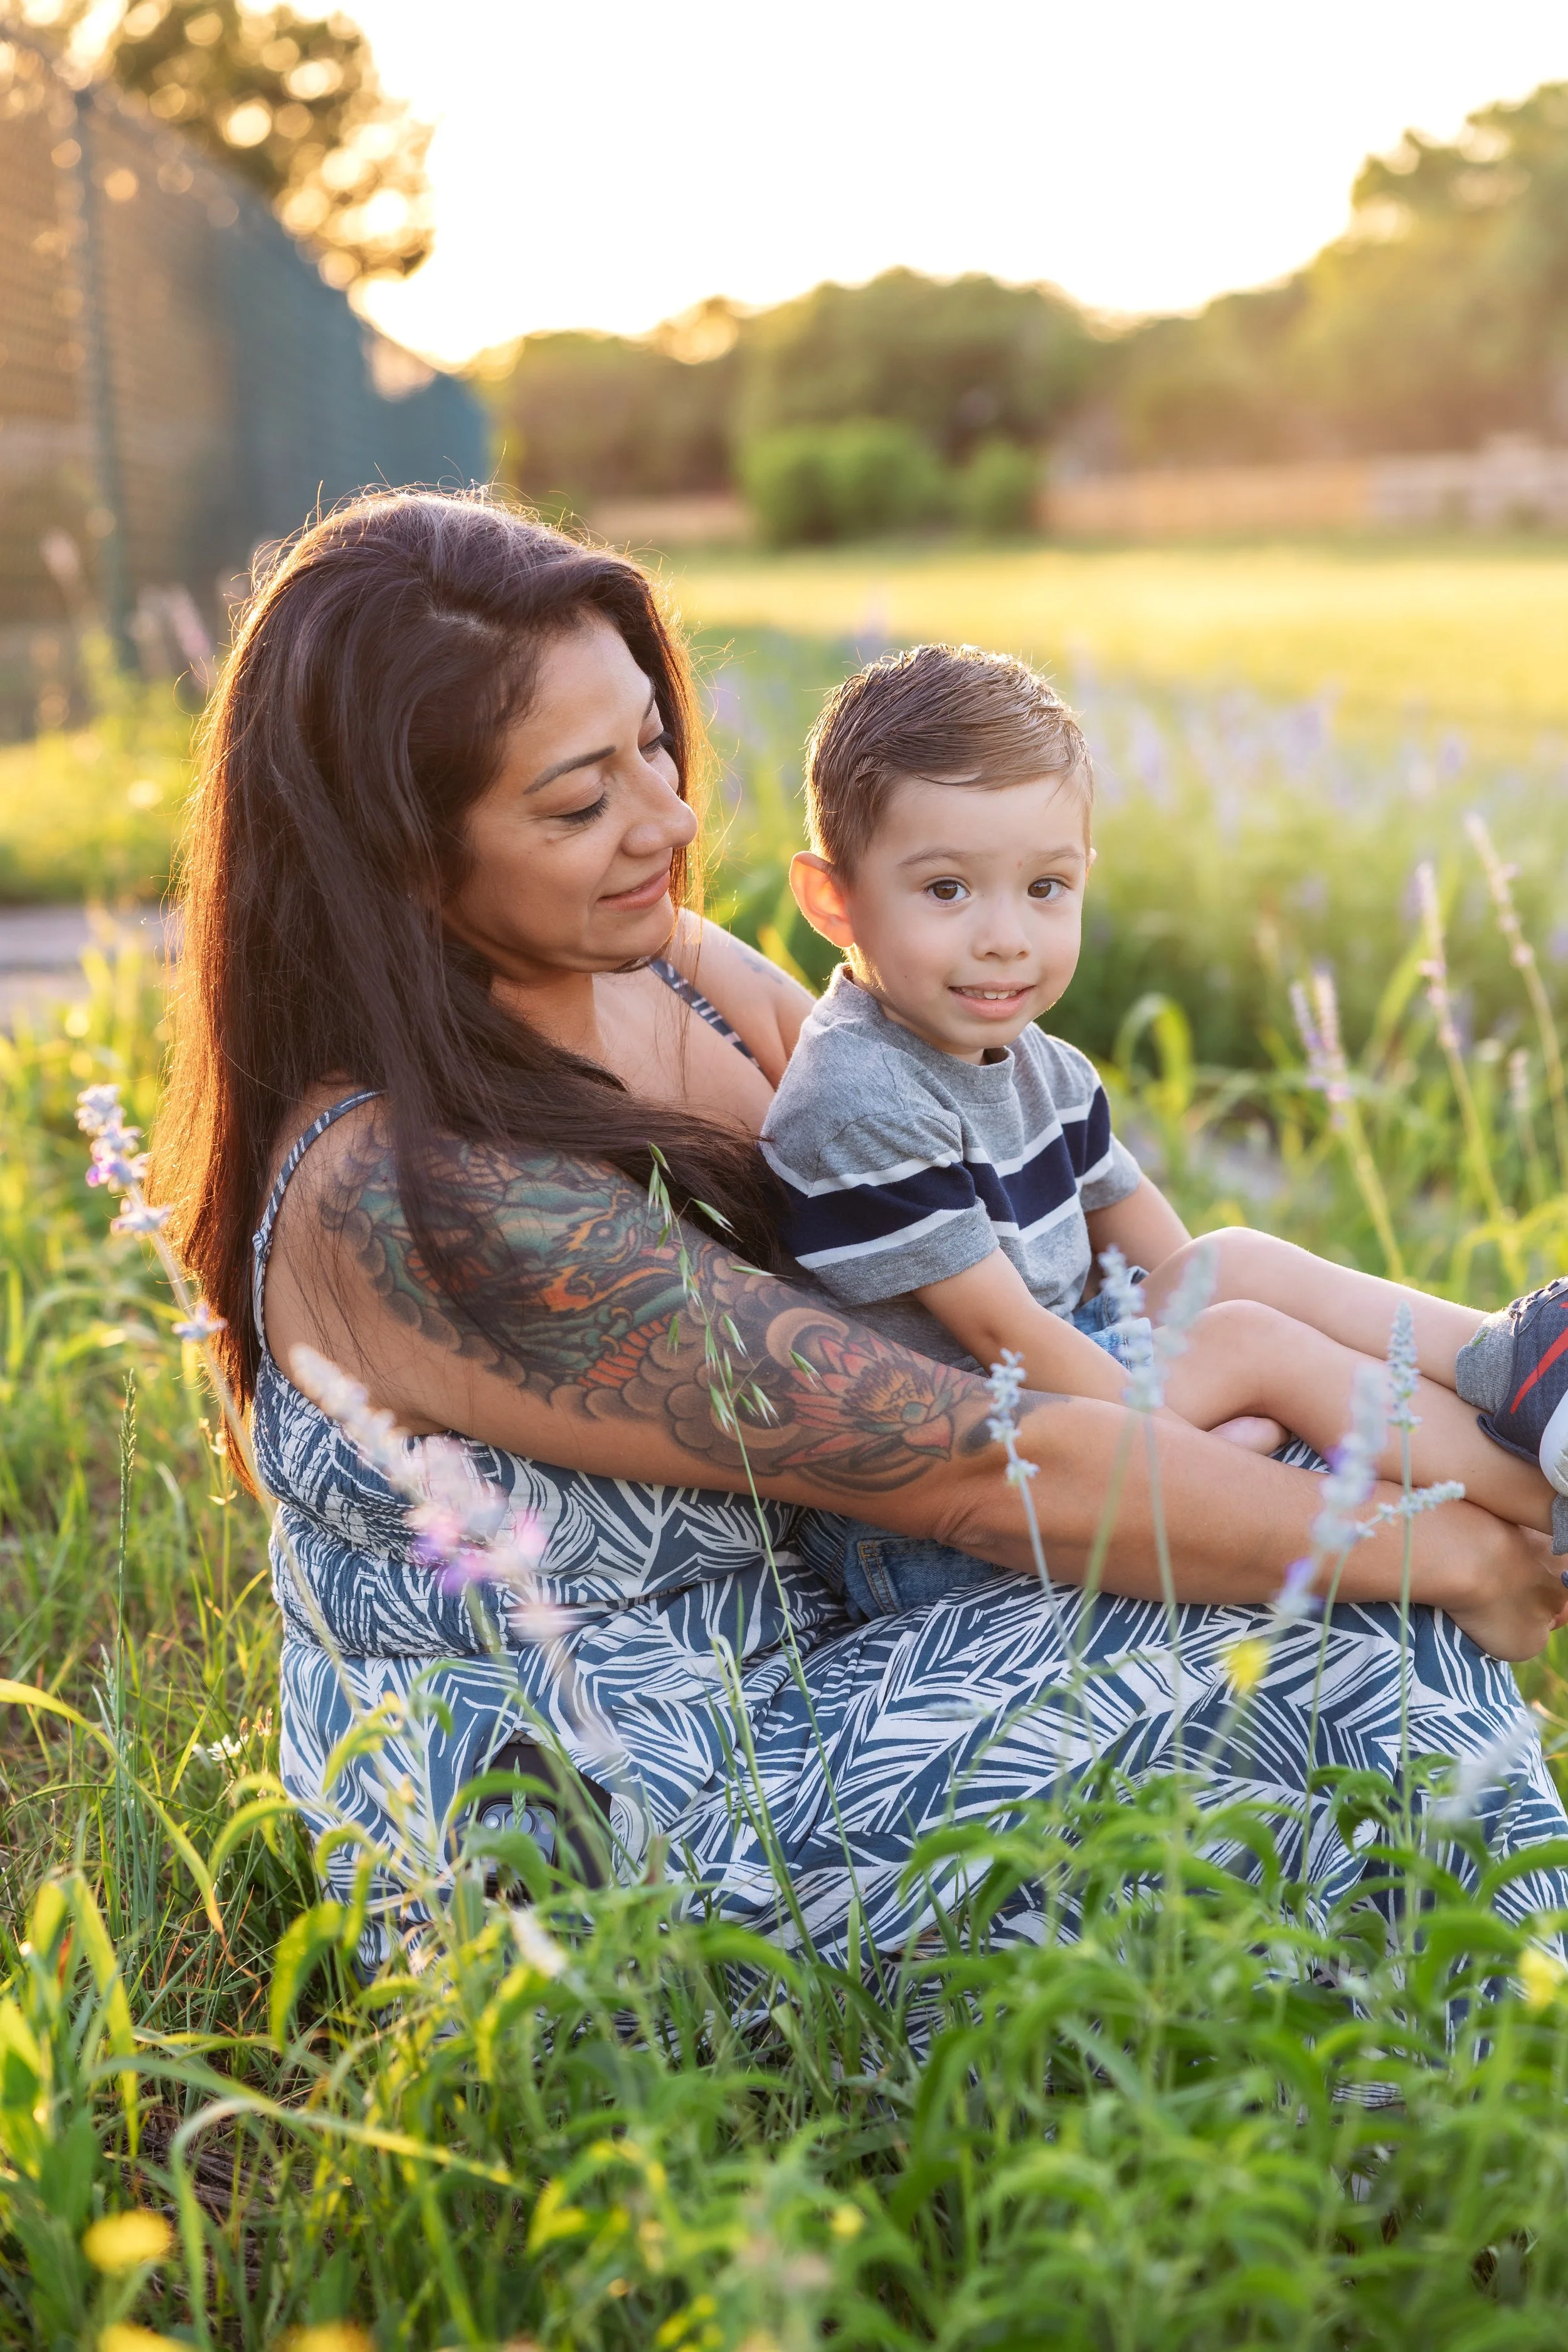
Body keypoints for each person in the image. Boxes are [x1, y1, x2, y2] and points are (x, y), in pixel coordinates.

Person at [152, 489, 1568, 1976]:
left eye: (652, 741)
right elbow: (971, 1460)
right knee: (1350, 1637)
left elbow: (1028, 1251)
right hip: (627, 1825)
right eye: (579, 802)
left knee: (1308, 1505)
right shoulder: (403, 1200)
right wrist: (1445, 1553)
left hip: (842, 1620)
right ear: (397, 857)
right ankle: (1482, 2093)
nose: (670, 818)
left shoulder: (671, 971)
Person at [765, 644, 1568, 1619]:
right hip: (942, 1505)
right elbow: (1004, 1334)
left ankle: (1517, 1359)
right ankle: (1538, 1507)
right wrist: (1193, 1460)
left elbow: (1169, 1255)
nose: (1007, 935)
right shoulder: (860, 1096)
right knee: (1248, 1340)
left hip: (1060, 1406)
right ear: (832, 900)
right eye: (947, 890)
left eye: (1046, 887)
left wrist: (1203, 1382)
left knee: (1234, 1264)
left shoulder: (1039, 1065)